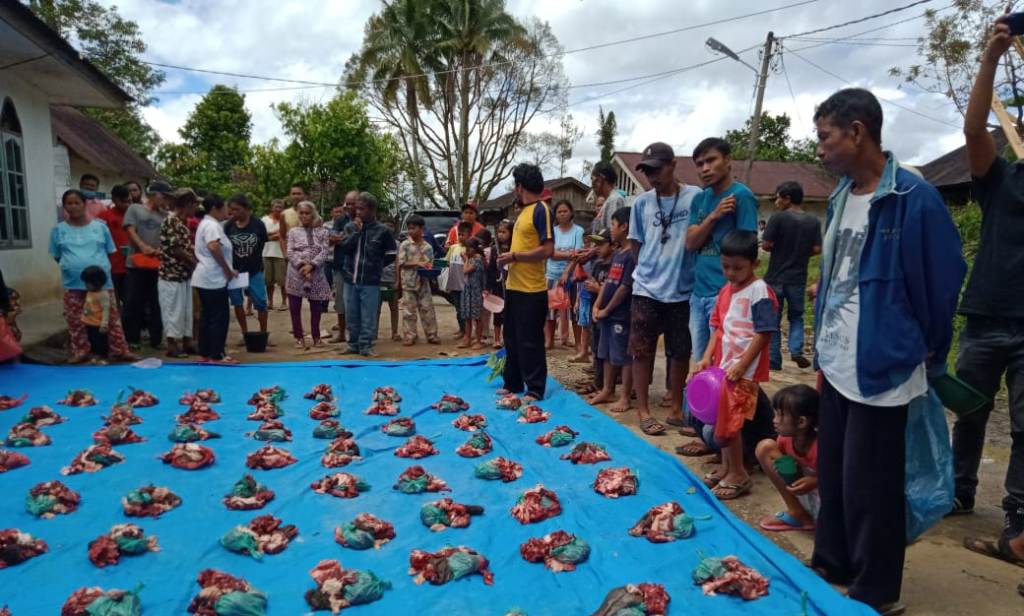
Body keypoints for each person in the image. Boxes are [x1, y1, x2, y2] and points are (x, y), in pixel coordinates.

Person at [810, 88, 965, 613]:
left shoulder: (913, 198)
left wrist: (925, 347)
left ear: (857, 132)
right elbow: (836, 275)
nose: (820, 149)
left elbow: (942, 285)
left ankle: (875, 589)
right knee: (834, 471)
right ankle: (832, 561)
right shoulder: (841, 196)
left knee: (871, 485)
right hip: (837, 359)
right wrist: (822, 352)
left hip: (883, 365)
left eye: (825, 137)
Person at [957, 13, 1024, 571]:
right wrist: (991, 58)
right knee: (970, 411)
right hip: (985, 316)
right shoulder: (1004, 177)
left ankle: (1018, 529)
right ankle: (959, 493)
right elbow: (975, 131)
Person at [692, 230, 777, 500]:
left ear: (755, 264)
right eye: (726, 266)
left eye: (738, 268)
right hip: (723, 370)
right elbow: (718, 329)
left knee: (732, 425)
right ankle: (727, 467)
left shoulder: (760, 291)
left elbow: (764, 333)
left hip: (745, 373)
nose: (731, 273)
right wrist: (707, 357)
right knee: (722, 422)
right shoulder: (725, 291)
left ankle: (739, 473)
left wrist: (742, 365)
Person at [628, 142, 701, 435]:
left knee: (680, 351)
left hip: (683, 290)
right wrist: (649, 270)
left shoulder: (695, 197)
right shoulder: (642, 203)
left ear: (673, 165)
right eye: (647, 172)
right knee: (642, 351)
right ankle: (644, 410)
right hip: (646, 290)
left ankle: (675, 408)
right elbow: (636, 243)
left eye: (657, 170)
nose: (652, 177)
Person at [686, 137, 759, 362]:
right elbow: (691, 243)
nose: (705, 169)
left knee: (723, 361)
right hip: (698, 293)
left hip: (726, 293)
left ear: (727, 160)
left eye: (711, 161)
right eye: (700, 164)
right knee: (701, 361)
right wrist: (714, 216)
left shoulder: (741, 196)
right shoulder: (700, 199)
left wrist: (738, 294)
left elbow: (747, 248)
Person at [49, 189, 134, 363]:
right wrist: (71, 265)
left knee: (111, 317)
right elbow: (57, 255)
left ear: (84, 204)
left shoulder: (100, 227)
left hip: (102, 282)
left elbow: (110, 251)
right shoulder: (59, 230)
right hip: (73, 282)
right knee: (75, 319)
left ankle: (120, 350)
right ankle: (80, 351)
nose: (73, 207)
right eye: (69, 203)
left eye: (77, 202)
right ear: (64, 207)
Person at [497, 163, 554, 401]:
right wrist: (508, 260)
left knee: (530, 340)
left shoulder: (541, 210)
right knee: (511, 337)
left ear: (520, 186)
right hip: (515, 286)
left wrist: (515, 256)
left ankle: (535, 388)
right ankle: (513, 382)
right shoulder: (523, 213)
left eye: (515, 185)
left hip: (532, 290)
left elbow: (548, 249)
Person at [762, 181, 821, 370]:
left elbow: (766, 245)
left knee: (773, 319)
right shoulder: (813, 221)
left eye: (778, 197)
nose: (776, 202)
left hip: (775, 277)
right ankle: (796, 350)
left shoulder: (777, 218)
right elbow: (817, 249)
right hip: (798, 278)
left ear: (787, 198)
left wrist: (779, 248)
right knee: (797, 317)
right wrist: (801, 254)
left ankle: (774, 359)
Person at [337, 192, 397, 356]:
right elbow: (344, 248)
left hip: (370, 281)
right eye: (357, 208)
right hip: (350, 279)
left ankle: (366, 346)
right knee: (351, 315)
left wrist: (377, 266)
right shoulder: (350, 227)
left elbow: (392, 253)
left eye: (361, 209)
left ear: (372, 210)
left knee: (368, 316)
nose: (357, 212)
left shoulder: (382, 231)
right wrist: (356, 233)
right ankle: (353, 345)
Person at [589, 208, 636, 414]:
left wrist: (607, 310)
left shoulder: (631, 256)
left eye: (613, 225)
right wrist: (597, 305)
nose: (611, 229)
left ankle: (625, 396)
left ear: (624, 227)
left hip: (621, 315)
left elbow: (624, 288)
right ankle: (607, 389)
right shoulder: (617, 254)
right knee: (607, 352)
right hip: (607, 314)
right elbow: (609, 282)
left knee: (624, 355)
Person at [756, 384, 820, 532]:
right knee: (765, 448)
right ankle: (797, 512)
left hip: (828, 496)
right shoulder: (785, 440)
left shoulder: (822, 446)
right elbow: (783, 463)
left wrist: (816, 481)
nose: (775, 420)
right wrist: (787, 470)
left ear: (801, 422)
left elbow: (844, 478)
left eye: (780, 415)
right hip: (803, 491)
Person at [123, 181, 171, 350]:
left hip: (156, 264)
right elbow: (130, 230)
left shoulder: (165, 215)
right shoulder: (135, 209)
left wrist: (159, 250)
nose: (165, 200)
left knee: (157, 302)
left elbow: (168, 238)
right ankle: (132, 338)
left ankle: (156, 339)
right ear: (154, 194)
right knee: (133, 301)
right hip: (135, 263)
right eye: (164, 196)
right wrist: (142, 246)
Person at [191, 194, 238, 364]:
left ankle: (205, 352)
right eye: (224, 207)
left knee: (207, 315)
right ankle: (217, 354)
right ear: (214, 209)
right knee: (218, 316)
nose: (227, 211)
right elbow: (213, 246)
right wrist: (227, 269)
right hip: (213, 277)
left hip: (206, 276)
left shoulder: (205, 224)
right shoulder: (212, 225)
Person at [158, 188, 199, 358]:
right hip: (171, 274)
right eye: (195, 205)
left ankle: (187, 341)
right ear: (188, 204)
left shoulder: (182, 222)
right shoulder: (171, 221)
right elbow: (177, 250)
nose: (196, 209)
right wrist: (195, 263)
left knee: (186, 310)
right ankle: (172, 345)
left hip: (184, 274)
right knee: (173, 310)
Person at [286, 201, 332, 349]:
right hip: (296, 273)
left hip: (316, 272)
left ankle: (316, 337)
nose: (304, 216)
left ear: (313, 214)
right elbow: (290, 251)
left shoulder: (323, 232)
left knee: (316, 307)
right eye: (302, 213)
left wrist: (311, 265)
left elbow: (324, 251)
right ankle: (299, 337)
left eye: (307, 213)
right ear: (298, 214)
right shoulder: (293, 232)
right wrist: (301, 266)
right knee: (294, 307)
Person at [225, 194, 269, 343]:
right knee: (237, 302)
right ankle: (244, 333)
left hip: (254, 270)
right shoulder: (228, 226)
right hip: (235, 271)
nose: (233, 212)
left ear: (246, 209)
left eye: (237, 209)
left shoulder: (258, 224)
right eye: (231, 210)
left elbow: (262, 244)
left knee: (261, 302)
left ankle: (263, 333)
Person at [547, 200, 584, 350]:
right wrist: (570, 254)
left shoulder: (578, 231)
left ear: (571, 212)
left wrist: (567, 271)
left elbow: (579, 254)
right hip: (552, 274)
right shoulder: (552, 231)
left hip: (572, 275)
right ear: (555, 214)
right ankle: (549, 341)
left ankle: (578, 343)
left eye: (565, 211)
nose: (562, 214)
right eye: (559, 212)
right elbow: (551, 253)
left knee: (574, 309)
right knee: (551, 309)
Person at [398, 214, 440, 345]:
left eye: (413, 228)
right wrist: (416, 264)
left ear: (422, 229)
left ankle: (432, 334)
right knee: (408, 311)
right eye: (409, 228)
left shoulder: (427, 247)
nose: (411, 231)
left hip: (423, 282)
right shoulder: (405, 245)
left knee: (427, 309)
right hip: (408, 283)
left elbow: (429, 264)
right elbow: (401, 263)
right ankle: (410, 335)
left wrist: (427, 269)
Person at [328, 191, 357, 343]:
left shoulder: (364, 219)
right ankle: (341, 333)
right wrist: (348, 236)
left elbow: (339, 238)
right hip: (340, 265)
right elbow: (331, 238)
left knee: (355, 301)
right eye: (348, 203)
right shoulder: (340, 219)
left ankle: (355, 335)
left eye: (353, 203)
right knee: (340, 300)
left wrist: (341, 237)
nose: (350, 206)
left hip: (357, 267)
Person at [96, 184, 132, 308]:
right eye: (123, 202)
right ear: (115, 200)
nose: (127, 205)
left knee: (130, 299)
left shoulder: (134, 215)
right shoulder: (103, 217)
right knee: (113, 299)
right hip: (112, 265)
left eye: (129, 201)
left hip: (131, 264)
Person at [80, 266, 111, 363]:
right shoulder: (90, 292)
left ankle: (102, 356)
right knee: (91, 339)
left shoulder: (103, 295)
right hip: (89, 322)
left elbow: (106, 310)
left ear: (96, 282)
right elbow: (88, 305)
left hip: (98, 323)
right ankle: (94, 354)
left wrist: (104, 324)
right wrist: (84, 316)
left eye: (87, 283)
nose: (85, 285)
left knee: (100, 341)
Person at [459, 237, 486, 349]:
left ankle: (478, 340)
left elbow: (465, 270)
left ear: (475, 249)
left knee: (477, 317)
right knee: (467, 316)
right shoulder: (471, 259)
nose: (466, 251)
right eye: (466, 248)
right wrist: (466, 260)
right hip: (467, 290)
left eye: (468, 249)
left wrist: (465, 260)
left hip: (475, 292)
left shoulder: (477, 260)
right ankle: (467, 339)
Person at [490, 219, 514, 348]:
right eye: (499, 232)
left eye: (504, 232)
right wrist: (488, 286)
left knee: (510, 313)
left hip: (512, 285)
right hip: (498, 286)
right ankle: (496, 339)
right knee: (498, 312)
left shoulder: (515, 249)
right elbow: (490, 268)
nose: (501, 235)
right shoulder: (495, 249)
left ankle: (508, 338)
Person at [261, 199, 288, 311]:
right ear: (272, 207)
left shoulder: (285, 220)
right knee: (268, 281)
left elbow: (286, 235)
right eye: (276, 207)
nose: (278, 209)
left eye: (280, 207)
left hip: (280, 253)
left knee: (282, 280)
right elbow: (261, 235)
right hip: (266, 253)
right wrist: (274, 235)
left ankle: (284, 302)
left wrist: (272, 235)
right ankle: (270, 301)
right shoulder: (264, 220)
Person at [378, 222, 401, 343]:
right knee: (376, 308)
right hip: (378, 280)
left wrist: (397, 280)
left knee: (394, 308)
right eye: (386, 225)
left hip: (392, 279)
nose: (388, 228)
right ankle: (373, 332)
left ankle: (395, 332)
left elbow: (398, 263)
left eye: (391, 226)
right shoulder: (377, 242)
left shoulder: (397, 244)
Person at [590, 161, 627, 234]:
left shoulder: (614, 200)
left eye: (593, 179)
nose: (592, 184)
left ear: (600, 179)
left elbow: (612, 233)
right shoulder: (609, 200)